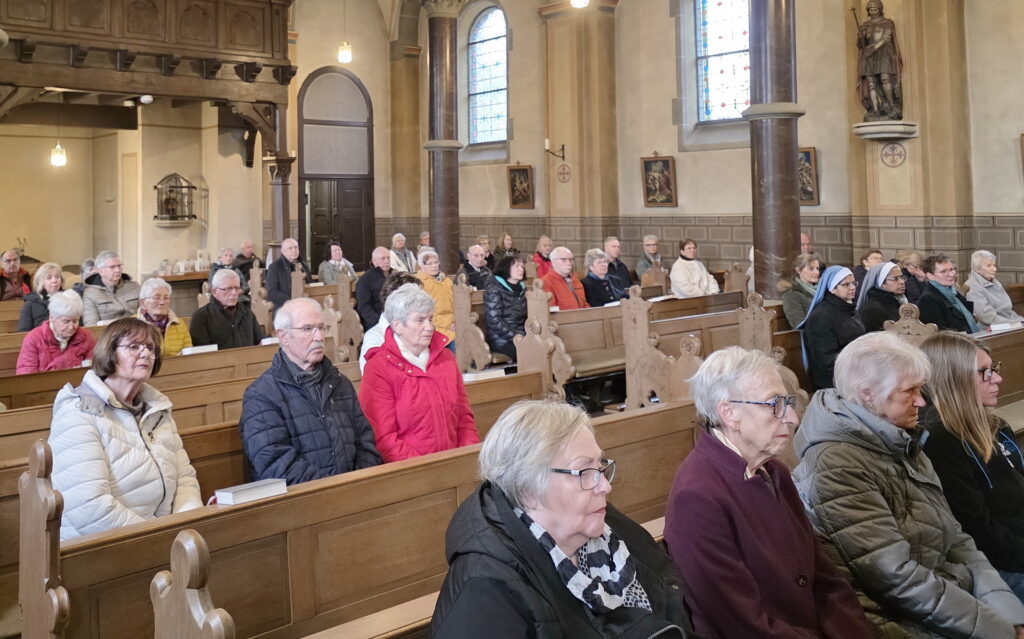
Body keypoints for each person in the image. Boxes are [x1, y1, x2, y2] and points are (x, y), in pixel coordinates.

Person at [793, 332, 1024, 636]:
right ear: (868, 395)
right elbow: (897, 578)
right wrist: (998, 629)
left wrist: (1011, 615)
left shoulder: (900, 439)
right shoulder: (836, 466)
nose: (922, 400)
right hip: (894, 617)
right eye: (909, 391)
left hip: (948, 591)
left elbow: (957, 539)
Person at [431, 400, 695, 639]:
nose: (604, 486)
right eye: (584, 471)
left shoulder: (608, 527)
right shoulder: (483, 592)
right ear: (528, 489)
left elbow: (670, 607)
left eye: (600, 466)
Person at [665, 347, 873, 638]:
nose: (791, 417)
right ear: (729, 413)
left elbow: (825, 578)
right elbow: (744, 624)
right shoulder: (698, 498)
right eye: (774, 404)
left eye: (787, 402)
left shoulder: (776, 472)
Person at [48, 317, 203, 540]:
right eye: (133, 346)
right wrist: (158, 538)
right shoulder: (79, 412)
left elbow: (184, 478)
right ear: (109, 353)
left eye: (150, 347)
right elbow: (89, 507)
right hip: (102, 547)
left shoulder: (157, 410)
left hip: (163, 536)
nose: (146, 353)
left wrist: (187, 526)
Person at [919, 332, 1024, 602]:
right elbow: (980, 534)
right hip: (997, 565)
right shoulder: (940, 442)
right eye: (985, 372)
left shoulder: (996, 425)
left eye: (994, 369)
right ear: (955, 379)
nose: (998, 378)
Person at [239, 298, 381, 485]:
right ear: (283, 337)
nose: (319, 336)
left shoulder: (339, 382)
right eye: (307, 329)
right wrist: (332, 492)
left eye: (321, 328)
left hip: (355, 494)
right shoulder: (261, 395)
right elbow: (276, 464)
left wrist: (360, 484)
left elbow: (365, 441)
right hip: (301, 504)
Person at [359, 286, 478, 462]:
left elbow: (464, 418)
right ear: (398, 326)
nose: (429, 327)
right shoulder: (378, 367)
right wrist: (425, 468)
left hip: (454, 464)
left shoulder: (446, 358)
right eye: (420, 320)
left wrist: (466, 456)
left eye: (430, 319)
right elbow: (384, 437)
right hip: (411, 472)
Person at [797, 265, 865, 390]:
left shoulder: (850, 309)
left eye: (854, 283)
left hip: (856, 371)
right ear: (832, 289)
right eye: (846, 284)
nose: (852, 288)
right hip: (833, 381)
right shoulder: (821, 317)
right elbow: (826, 360)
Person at [16, 290, 96, 374]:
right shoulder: (34, 338)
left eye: (75, 321)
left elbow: (94, 371)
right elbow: (26, 375)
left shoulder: (86, 337)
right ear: (52, 318)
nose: (71, 327)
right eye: (66, 321)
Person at [359, 273, 421, 372]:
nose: (420, 306)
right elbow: (374, 379)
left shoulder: (421, 331)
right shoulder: (375, 337)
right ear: (394, 302)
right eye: (414, 300)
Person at [189, 269, 265, 349]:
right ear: (214, 292)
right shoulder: (201, 317)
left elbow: (260, 342)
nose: (234, 293)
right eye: (228, 288)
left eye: (237, 288)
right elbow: (202, 354)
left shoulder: (247, 313)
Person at [856, 0, 903, 121]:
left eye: (875, 10)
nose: (873, 12)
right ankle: (876, 110)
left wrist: (874, 48)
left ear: (880, 10)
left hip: (883, 54)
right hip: (868, 56)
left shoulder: (886, 23)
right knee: (871, 83)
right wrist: (860, 37)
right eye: (871, 10)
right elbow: (860, 44)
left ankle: (892, 107)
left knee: (885, 78)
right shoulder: (864, 25)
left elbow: (886, 38)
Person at [918, 253, 978, 333]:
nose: (952, 274)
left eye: (952, 269)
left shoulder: (953, 292)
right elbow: (940, 333)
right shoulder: (928, 299)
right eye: (944, 271)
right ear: (930, 276)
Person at [484, 255, 526, 361]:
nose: (521, 269)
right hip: (502, 339)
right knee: (529, 353)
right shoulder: (493, 289)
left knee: (546, 348)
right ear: (506, 268)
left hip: (521, 336)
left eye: (522, 266)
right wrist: (516, 335)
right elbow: (495, 321)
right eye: (517, 266)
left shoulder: (522, 289)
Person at [134, 277, 192, 357]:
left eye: (166, 298)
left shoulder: (179, 324)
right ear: (142, 302)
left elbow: (189, 354)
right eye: (156, 298)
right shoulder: (132, 326)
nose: (162, 302)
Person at [967, 250, 1024, 329]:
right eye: (989, 265)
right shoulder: (972, 287)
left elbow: (1008, 311)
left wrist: (1020, 321)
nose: (994, 269)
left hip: (1010, 324)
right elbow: (989, 318)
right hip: (991, 329)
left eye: (994, 265)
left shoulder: (994, 281)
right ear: (977, 268)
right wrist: (1017, 324)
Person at [82, 250, 141, 326]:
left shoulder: (135, 287)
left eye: (119, 266)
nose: (118, 270)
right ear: (101, 271)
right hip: (108, 334)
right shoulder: (90, 293)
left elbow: (145, 315)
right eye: (112, 267)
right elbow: (91, 326)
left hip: (135, 330)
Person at [415, 250, 456, 346]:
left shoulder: (447, 281)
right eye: (429, 263)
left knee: (473, 342)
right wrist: (447, 324)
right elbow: (422, 312)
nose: (434, 266)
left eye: (436, 262)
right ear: (421, 265)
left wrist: (456, 322)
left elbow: (455, 305)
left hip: (453, 326)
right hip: (434, 328)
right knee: (457, 347)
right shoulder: (419, 283)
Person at [855, 261, 907, 332]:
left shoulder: (899, 300)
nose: (902, 282)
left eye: (902, 277)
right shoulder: (872, 309)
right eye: (895, 278)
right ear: (881, 283)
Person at [265, 238, 313, 311]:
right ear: (283, 251)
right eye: (290, 248)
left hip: (305, 303)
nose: (294, 250)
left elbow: (310, 283)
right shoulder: (275, 267)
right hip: (283, 307)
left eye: (296, 247)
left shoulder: (303, 264)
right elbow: (272, 292)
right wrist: (291, 301)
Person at [17, 261, 64, 331]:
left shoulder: (69, 298)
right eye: (49, 278)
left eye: (57, 277)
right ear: (41, 281)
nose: (54, 280)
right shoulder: (30, 303)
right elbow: (23, 331)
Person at [780, 253, 820, 327]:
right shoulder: (791, 295)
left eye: (817, 268)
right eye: (811, 268)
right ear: (798, 270)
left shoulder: (821, 290)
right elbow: (799, 325)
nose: (816, 272)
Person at [356, 246, 391, 329]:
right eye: (383, 258)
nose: (387, 261)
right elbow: (364, 307)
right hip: (377, 321)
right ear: (374, 261)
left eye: (388, 258)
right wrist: (379, 322)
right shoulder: (365, 279)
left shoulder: (394, 274)